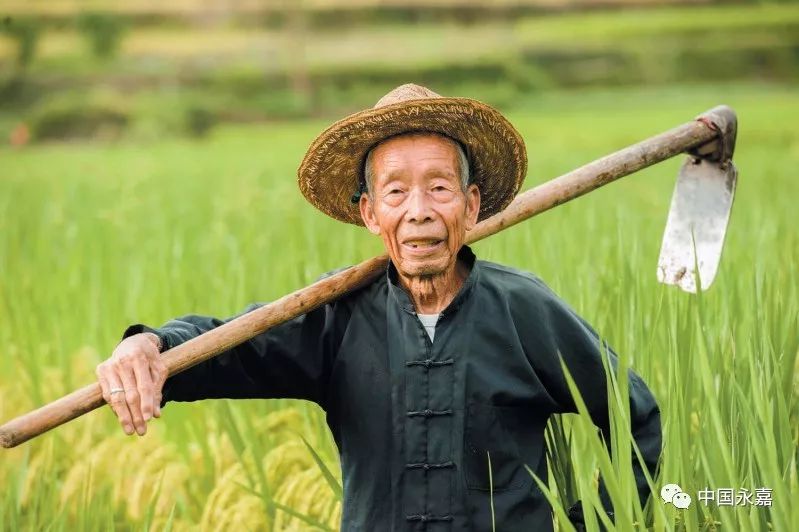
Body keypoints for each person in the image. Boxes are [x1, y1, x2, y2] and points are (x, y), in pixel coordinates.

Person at [96, 84, 661, 531]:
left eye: (439, 189)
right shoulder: (334, 317)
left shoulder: (524, 310)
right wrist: (150, 346)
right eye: (396, 193)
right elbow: (229, 346)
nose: (418, 211)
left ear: (471, 206)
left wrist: (596, 523)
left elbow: (634, 415)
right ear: (370, 213)